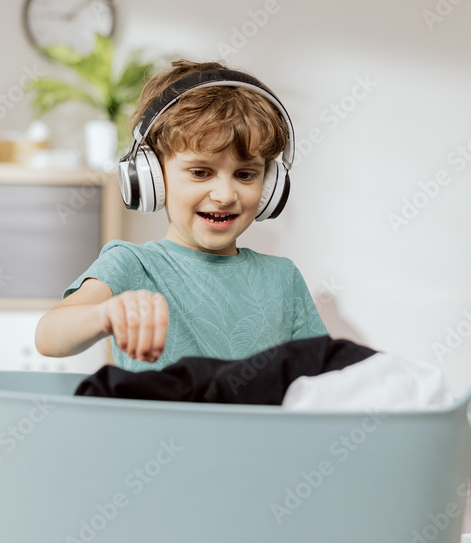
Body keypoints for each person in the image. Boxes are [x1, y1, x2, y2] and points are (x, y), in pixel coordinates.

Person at [35, 60, 328, 371]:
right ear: (152, 178)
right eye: (201, 172)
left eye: (245, 175)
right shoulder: (133, 265)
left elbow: (323, 380)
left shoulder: (283, 279)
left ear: (271, 185)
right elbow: (49, 335)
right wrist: (105, 315)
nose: (225, 195)